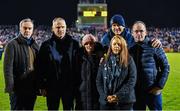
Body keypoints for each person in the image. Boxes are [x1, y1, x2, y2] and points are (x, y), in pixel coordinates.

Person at [36, 17, 81, 110]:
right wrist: (41, 86)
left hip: (69, 86)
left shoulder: (75, 44)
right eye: (57, 27)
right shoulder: (46, 45)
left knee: (69, 108)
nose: (60, 29)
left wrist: (78, 85)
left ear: (66, 28)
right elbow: (40, 67)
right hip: (52, 86)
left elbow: (79, 66)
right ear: (52, 28)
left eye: (62, 27)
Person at [129, 21, 170, 110]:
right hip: (136, 93)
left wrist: (159, 86)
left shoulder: (154, 45)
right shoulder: (129, 48)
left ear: (146, 32)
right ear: (132, 33)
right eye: (136, 31)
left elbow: (166, 66)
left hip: (152, 91)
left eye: (141, 31)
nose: (139, 33)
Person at [3, 18, 39, 110]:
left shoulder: (34, 45)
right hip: (18, 87)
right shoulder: (12, 44)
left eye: (29, 28)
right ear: (20, 28)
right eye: (25, 28)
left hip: (32, 87)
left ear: (32, 29)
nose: (27, 30)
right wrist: (10, 88)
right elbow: (7, 68)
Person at [96, 35, 137, 110]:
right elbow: (99, 81)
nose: (116, 46)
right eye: (114, 44)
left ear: (123, 46)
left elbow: (132, 80)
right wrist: (105, 96)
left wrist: (118, 96)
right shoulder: (104, 61)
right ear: (111, 46)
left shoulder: (129, 60)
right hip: (106, 102)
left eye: (119, 44)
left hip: (124, 102)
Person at [79, 34, 104, 110]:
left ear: (94, 44)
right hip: (83, 94)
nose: (88, 45)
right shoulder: (79, 57)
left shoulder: (101, 57)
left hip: (97, 94)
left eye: (91, 43)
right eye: (86, 43)